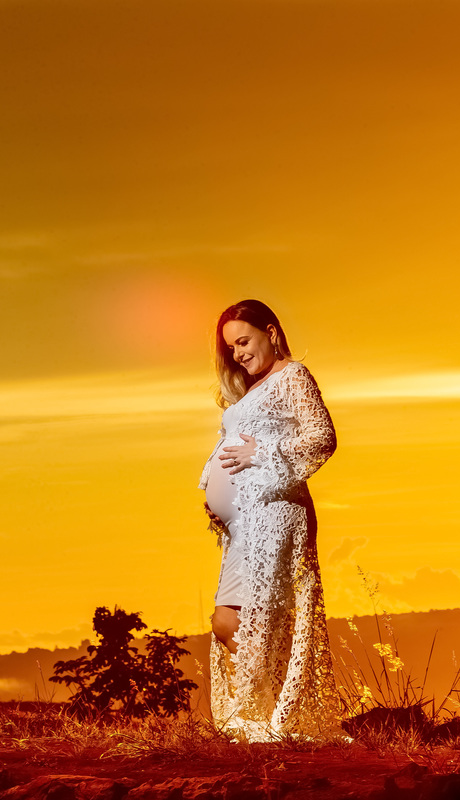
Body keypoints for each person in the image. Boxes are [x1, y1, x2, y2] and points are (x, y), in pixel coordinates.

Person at [199, 299, 339, 741]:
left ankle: (277, 714)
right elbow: (229, 444)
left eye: (244, 341)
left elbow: (323, 437)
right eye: (231, 348)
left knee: (255, 616)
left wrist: (260, 454)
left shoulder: (292, 375)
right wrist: (212, 489)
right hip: (243, 522)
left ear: (272, 332)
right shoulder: (252, 390)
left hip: (277, 513)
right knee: (228, 621)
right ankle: (276, 704)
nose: (238, 353)